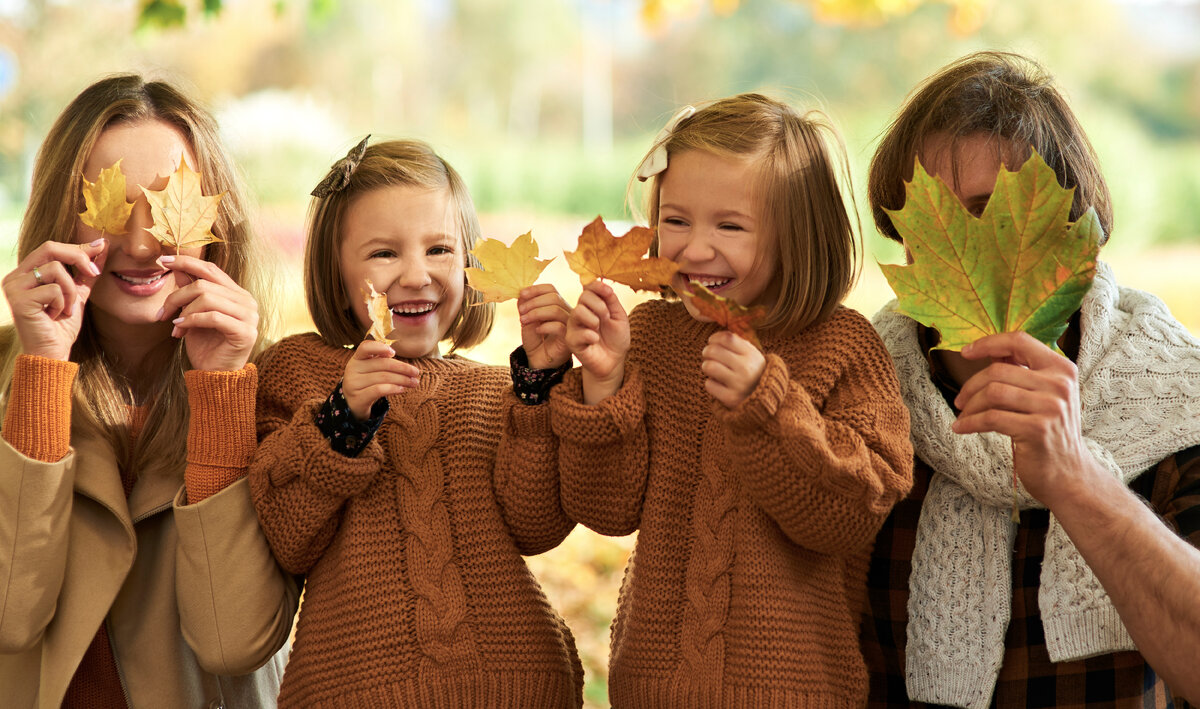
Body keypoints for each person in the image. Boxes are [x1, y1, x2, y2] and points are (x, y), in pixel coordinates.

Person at [544, 94, 914, 707]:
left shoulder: (843, 345)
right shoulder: (655, 339)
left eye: (730, 226)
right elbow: (607, 507)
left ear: (800, 235)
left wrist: (768, 404)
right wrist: (605, 383)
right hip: (654, 684)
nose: (692, 248)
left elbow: (856, 511)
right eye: (677, 220)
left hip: (794, 688)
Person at [861, 50, 1200, 707]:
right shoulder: (856, 398)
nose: (967, 247)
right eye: (935, 218)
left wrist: (1076, 476)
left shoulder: (1177, 396)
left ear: (1081, 236)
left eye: (995, 214)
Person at [248, 138, 583, 708]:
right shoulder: (298, 373)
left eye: (439, 250)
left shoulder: (492, 389)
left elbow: (537, 525)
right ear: (336, 266)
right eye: (383, 254)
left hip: (513, 684)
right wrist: (342, 421)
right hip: (354, 691)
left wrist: (539, 388)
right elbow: (286, 539)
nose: (415, 275)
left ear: (469, 263)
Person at [0, 75, 297, 708]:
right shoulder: (11, 373)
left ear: (215, 220)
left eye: (168, 206)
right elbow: (9, 616)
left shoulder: (277, 387)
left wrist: (220, 391)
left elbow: (234, 641)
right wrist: (42, 371)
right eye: (107, 206)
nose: (140, 244)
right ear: (59, 215)